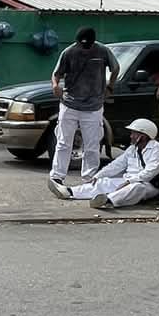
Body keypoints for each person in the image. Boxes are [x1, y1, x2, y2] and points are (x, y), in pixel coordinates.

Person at [47, 26, 119, 198]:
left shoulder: (103, 51)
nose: (85, 48)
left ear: (93, 42)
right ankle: (57, 177)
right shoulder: (69, 52)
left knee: (92, 145)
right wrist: (55, 86)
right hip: (69, 104)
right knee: (64, 142)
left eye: (88, 45)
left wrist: (110, 86)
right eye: (82, 45)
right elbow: (56, 74)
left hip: (93, 107)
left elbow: (115, 68)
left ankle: (89, 178)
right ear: (77, 41)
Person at [62, 119, 159, 209]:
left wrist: (129, 181)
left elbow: (150, 172)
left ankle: (108, 201)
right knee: (103, 182)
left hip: (150, 184)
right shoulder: (132, 149)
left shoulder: (157, 149)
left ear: (143, 136)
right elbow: (117, 165)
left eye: (134, 133)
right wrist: (99, 175)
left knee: (136, 187)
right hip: (128, 180)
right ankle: (70, 192)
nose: (131, 136)